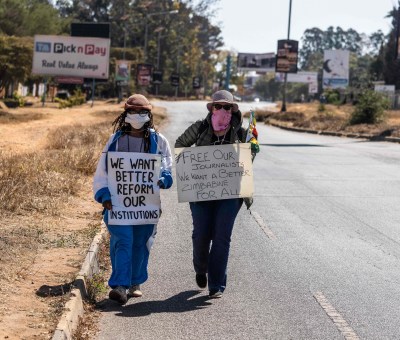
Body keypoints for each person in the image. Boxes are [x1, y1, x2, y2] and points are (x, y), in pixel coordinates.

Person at [175, 90, 259, 298]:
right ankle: (201, 268)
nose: (222, 110)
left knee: (222, 237)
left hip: (230, 193)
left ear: (233, 110)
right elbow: (180, 145)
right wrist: (193, 167)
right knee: (201, 235)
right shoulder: (200, 127)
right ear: (212, 108)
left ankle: (216, 284)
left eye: (227, 107)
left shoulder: (241, 132)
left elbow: (249, 158)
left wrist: (252, 146)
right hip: (201, 192)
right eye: (218, 106)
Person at [93, 94, 173, 305]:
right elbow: (102, 170)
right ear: (125, 114)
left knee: (141, 242)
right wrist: (104, 194)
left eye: (142, 112)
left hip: (146, 206)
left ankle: (135, 282)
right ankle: (119, 286)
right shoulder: (115, 141)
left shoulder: (158, 141)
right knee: (123, 241)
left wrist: (165, 177)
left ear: (149, 114)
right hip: (118, 205)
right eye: (133, 112)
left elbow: (167, 164)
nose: (137, 116)